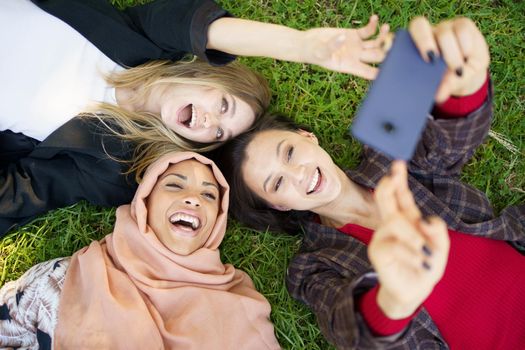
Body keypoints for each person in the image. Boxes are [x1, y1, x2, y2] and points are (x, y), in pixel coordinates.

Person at [214, 16, 525, 349]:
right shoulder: (313, 265)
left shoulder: (386, 156)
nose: (298, 173)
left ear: (308, 137)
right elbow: (347, 326)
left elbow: (444, 147)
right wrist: (393, 300)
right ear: (279, 205)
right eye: (276, 184)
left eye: (289, 152)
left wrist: (467, 87)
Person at [0, 0, 389, 236]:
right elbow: (204, 28)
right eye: (223, 105)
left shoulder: (112, 166)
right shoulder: (139, 37)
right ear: (205, 76)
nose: (208, 122)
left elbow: (23, 193)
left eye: (218, 132)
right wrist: (303, 45)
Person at [0, 151, 281, 350]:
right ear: (144, 203)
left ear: (218, 220)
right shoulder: (62, 280)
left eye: (209, 195)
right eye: (174, 185)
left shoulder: (240, 303)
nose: (193, 199)